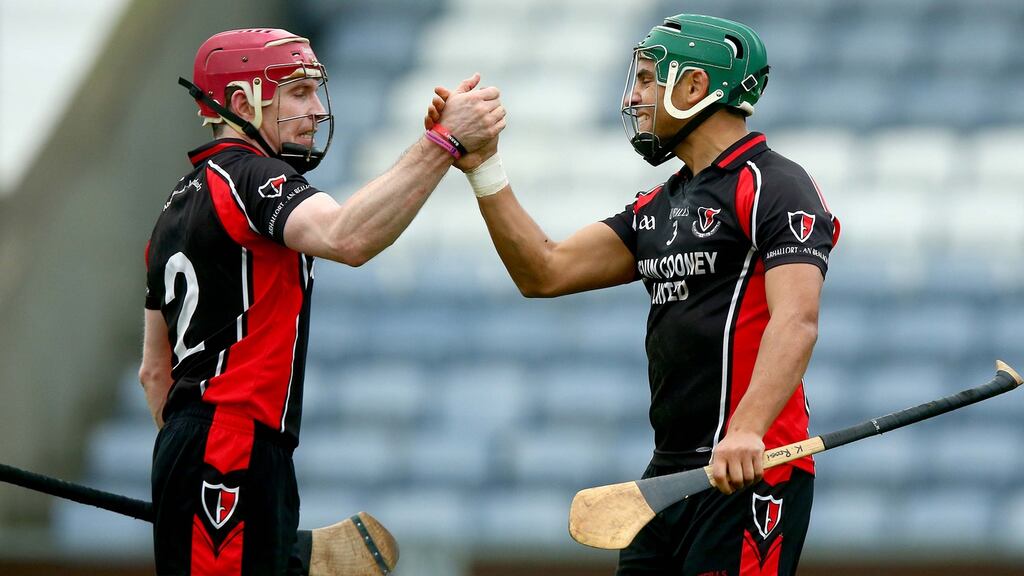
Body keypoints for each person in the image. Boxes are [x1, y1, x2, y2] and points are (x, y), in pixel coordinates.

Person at [428, 13, 839, 575]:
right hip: (668, 475)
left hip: (751, 467)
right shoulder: (659, 205)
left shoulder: (774, 184)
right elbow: (543, 271)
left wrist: (746, 429)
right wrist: (483, 168)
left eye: (648, 79)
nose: (635, 97)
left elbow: (797, 320)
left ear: (695, 87)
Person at [139, 28, 504, 575]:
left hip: (203, 451)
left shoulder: (172, 209)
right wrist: (443, 144)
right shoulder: (251, 176)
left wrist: (183, 472)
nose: (315, 111)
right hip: (231, 446)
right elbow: (346, 237)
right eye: (298, 93)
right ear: (242, 103)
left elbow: (153, 374)